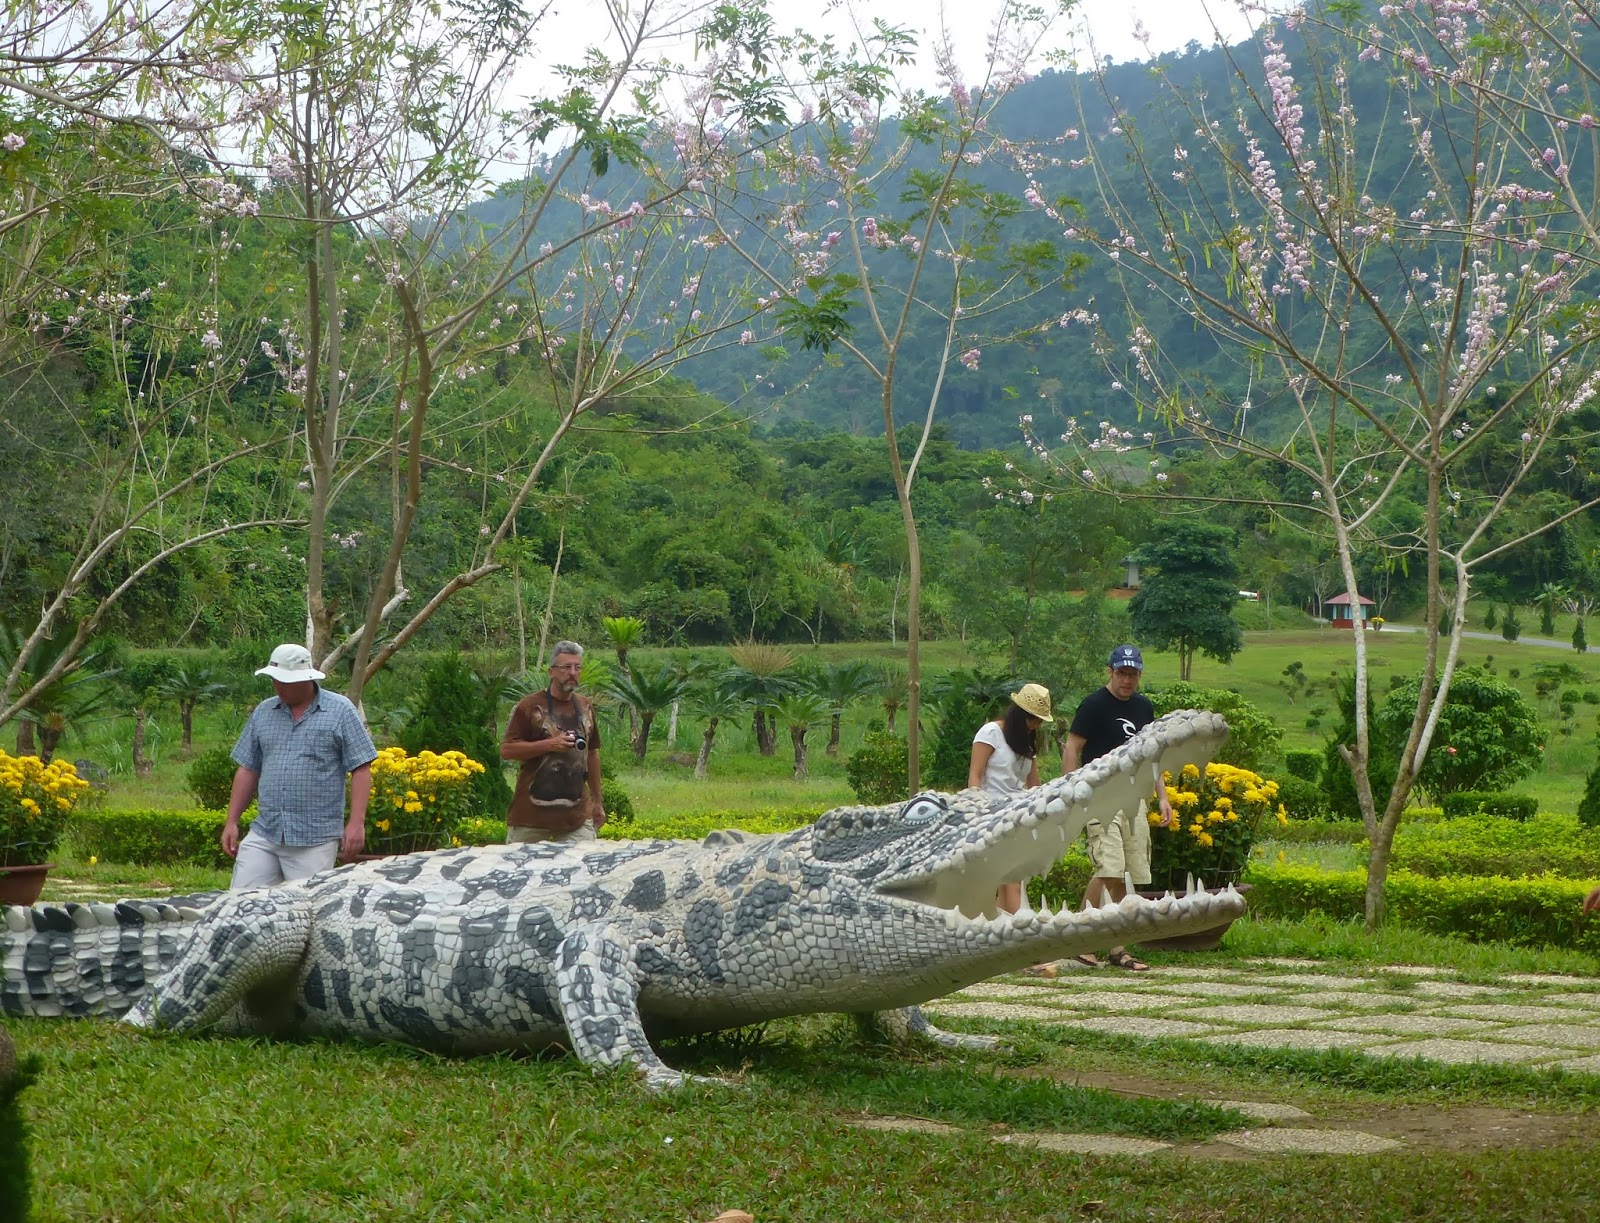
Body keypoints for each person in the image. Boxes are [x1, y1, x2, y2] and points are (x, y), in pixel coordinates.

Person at [221, 643, 377, 890]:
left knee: (304, 911)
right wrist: (232, 821)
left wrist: (356, 822)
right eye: (275, 681)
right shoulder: (264, 712)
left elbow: (361, 767)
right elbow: (248, 768)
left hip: (314, 840)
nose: (279, 687)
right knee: (242, 903)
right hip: (266, 833)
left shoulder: (340, 711)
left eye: (286, 682)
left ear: (307, 679)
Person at [1061, 644, 1174, 971]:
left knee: (1128, 873)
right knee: (1108, 867)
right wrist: (1071, 790)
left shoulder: (1143, 707)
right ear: (1110, 672)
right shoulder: (1094, 705)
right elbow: (1073, 748)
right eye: (1122, 673)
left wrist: (1162, 796)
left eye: (1133, 674)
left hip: (1134, 797)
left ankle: (1114, 946)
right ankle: (1081, 938)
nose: (1127, 680)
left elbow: (1152, 755)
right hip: (1101, 796)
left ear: (1139, 676)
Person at [501, 640, 606, 844]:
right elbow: (507, 750)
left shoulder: (585, 707)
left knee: (583, 873)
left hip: (576, 821)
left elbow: (592, 754)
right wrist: (550, 745)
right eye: (566, 667)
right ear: (551, 672)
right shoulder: (530, 706)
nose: (573, 673)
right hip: (531, 821)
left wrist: (598, 802)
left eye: (577, 667)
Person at [968, 683, 1052, 914]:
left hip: (1018, 816)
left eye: (1039, 721)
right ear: (1019, 715)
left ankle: (1002, 928)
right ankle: (1023, 929)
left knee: (1012, 879)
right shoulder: (991, 733)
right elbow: (975, 775)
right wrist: (976, 813)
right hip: (990, 815)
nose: (1036, 725)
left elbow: (1034, 784)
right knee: (1009, 878)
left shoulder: (1027, 743)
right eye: (1032, 719)